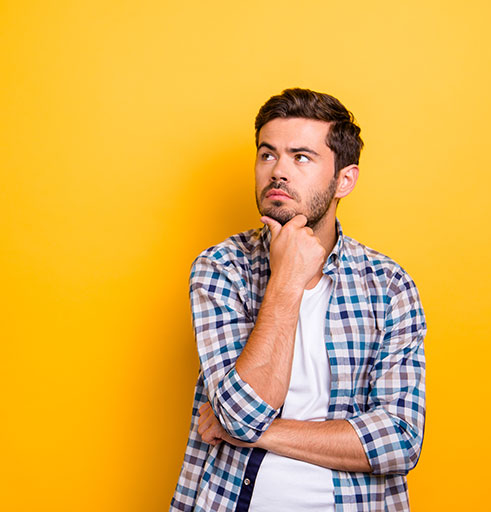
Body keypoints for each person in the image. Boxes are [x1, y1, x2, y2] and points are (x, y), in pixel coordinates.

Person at [169, 88, 427, 512]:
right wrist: (286, 281)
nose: (277, 172)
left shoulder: (389, 285)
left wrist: (257, 432)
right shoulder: (221, 268)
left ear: (344, 179)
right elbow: (243, 410)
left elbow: (399, 441)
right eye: (267, 154)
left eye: (301, 157)